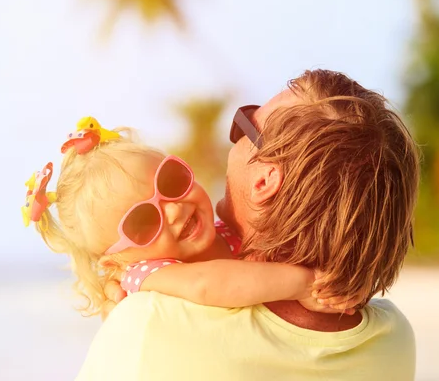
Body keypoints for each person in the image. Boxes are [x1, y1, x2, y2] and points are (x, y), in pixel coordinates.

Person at [77, 69, 420, 381]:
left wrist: (124, 326)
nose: (173, 212)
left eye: (243, 125)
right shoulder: (393, 340)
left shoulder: (148, 326)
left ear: (264, 180)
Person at [22, 117, 359, 317]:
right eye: (143, 222)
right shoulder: (145, 275)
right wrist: (303, 283)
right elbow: (208, 284)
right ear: (117, 262)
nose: (173, 208)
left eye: (170, 181)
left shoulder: (225, 230)